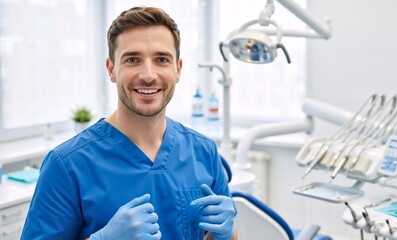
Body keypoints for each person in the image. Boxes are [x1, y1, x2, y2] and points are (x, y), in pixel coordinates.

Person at [21, 6, 237, 240]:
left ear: (178, 69)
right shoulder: (66, 165)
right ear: (111, 69)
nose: (148, 74)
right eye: (132, 59)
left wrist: (229, 233)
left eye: (161, 59)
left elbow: (223, 236)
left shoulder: (203, 151)